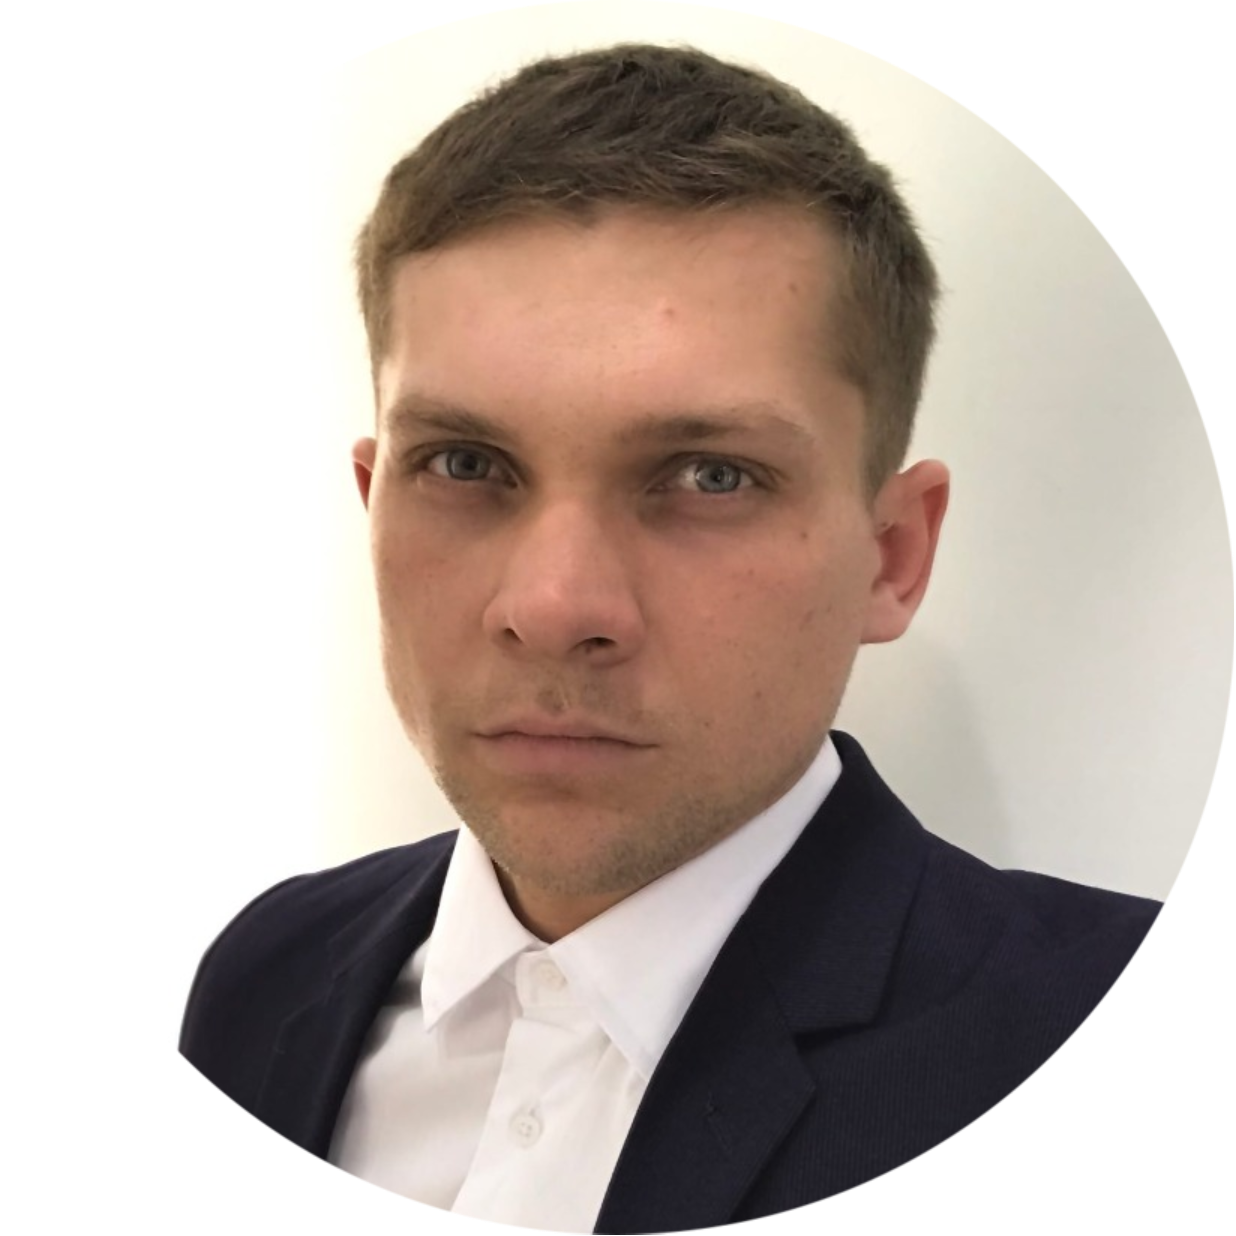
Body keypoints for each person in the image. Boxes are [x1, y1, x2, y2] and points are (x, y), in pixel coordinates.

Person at [179, 44, 1161, 1228]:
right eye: (465, 464)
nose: (554, 607)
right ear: (372, 503)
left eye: (710, 475)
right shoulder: (264, 977)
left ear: (892, 556)